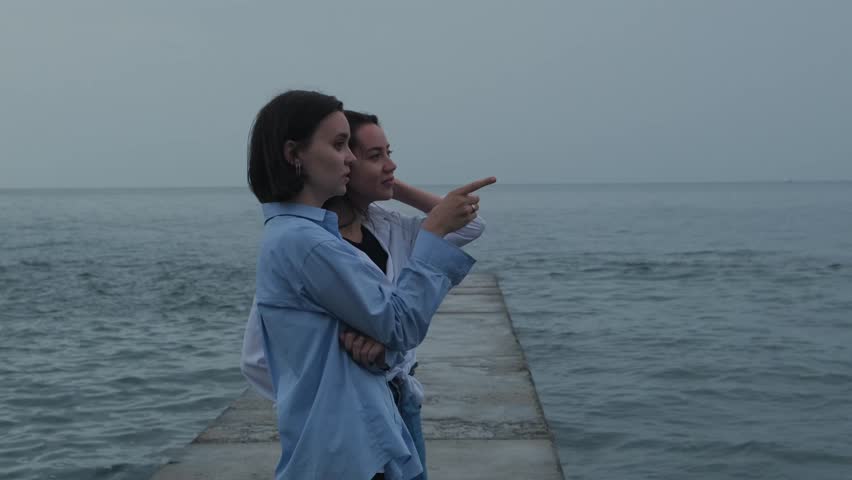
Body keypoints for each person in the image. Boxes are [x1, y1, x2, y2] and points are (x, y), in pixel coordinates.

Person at [246, 90, 495, 480]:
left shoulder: (307, 235)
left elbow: (381, 331)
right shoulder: (306, 243)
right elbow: (400, 323)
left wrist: (381, 350)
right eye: (340, 145)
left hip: (362, 434)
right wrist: (432, 232)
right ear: (295, 154)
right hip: (345, 443)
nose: (349, 157)